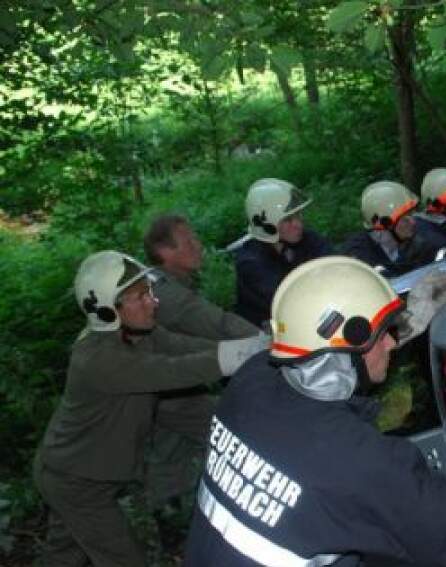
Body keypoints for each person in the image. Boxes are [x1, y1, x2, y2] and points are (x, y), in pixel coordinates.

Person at [183, 256, 446, 567]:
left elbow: (327, 359)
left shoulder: (253, 382)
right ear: (345, 349)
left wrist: (407, 322)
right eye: (384, 335)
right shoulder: (358, 460)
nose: (391, 343)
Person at [34, 250, 266, 567]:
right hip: (76, 482)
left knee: (64, 556)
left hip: (76, 474)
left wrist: (256, 348)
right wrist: (253, 351)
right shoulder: (97, 359)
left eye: (150, 292)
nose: (153, 303)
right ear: (106, 310)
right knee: (124, 559)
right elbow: (176, 370)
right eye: (139, 297)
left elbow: (191, 349)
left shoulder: (143, 335)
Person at [141, 214, 261, 511]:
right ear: (165, 251)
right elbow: (217, 324)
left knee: (169, 451)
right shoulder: (167, 294)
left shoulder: (161, 283)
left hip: (168, 388)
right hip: (166, 392)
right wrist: (268, 342)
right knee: (238, 430)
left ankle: (169, 512)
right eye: (188, 241)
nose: (198, 246)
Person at [234, 178, 331, 327]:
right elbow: (289, 300)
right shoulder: (251, 262)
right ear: (265, 224)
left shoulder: (307, 239)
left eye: (298, 215)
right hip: (266, 334)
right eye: (287, 220)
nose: (298, 224)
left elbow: (335, 265)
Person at [340, 180, 446, 277]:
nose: (412, 222)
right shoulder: (359, 255)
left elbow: (440, 254)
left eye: (411, 214)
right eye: (404, 218)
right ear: (384, 225)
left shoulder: (413, 241)